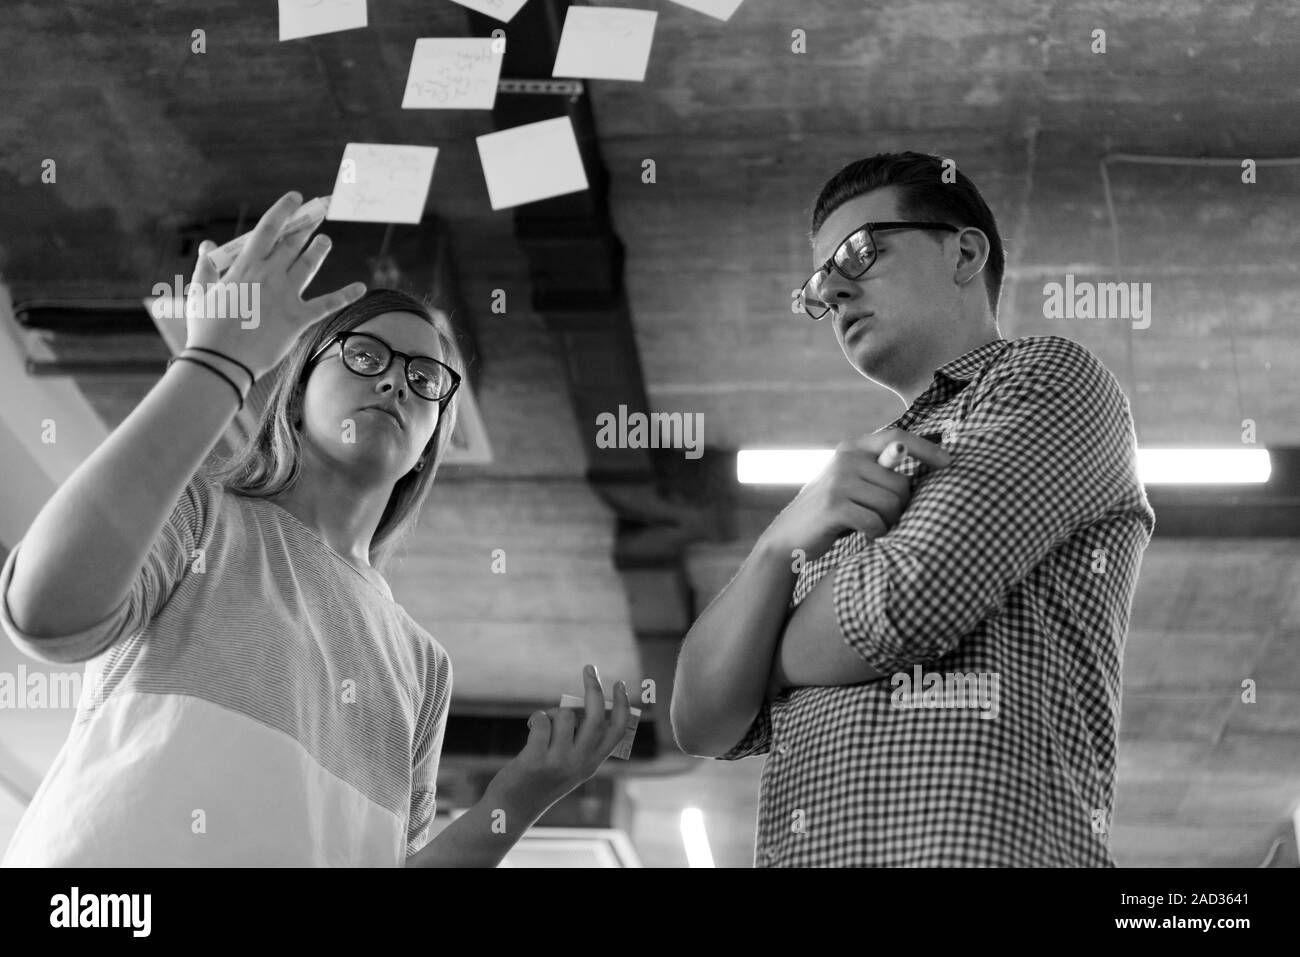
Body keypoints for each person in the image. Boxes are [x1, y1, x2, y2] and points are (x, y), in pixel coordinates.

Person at [0, 191, 631, 867]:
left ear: (430, 443)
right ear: (296, 393)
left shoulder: (422, 664)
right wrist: (217, 361)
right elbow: (46, 613)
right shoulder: (203, 516)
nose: (395, 382)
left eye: (425, 377)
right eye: (365, 355)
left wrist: (521, 795)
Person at [670, 152, 1155, 867]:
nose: (832, 289)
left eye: (861, 252)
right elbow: (701, 719)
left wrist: (762, 656)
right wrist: (779, 544)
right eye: (818, 282)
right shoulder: (846, 487)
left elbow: (907, 600)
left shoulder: (1047, 377)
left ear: (963, 251)